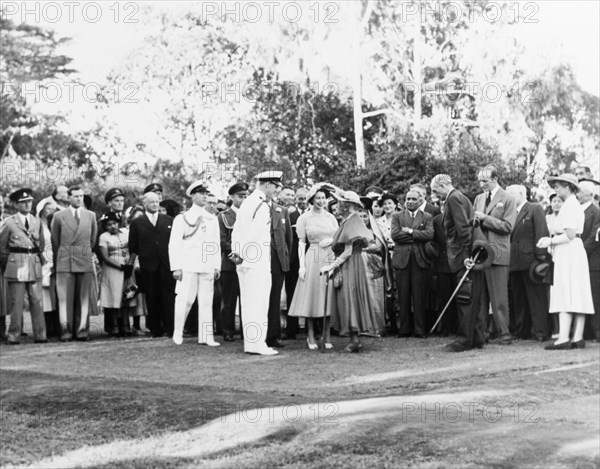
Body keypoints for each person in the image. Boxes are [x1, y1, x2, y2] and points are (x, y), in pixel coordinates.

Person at [537, 174, 595, 350]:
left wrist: (550, 241)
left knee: (565, 290)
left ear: (568, 188)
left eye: (559, 187)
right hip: (574, 251)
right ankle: (577, 337)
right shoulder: (574, 205)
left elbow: (569, 234)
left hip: (569, 251)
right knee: (577, 291)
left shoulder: (569, 206)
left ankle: (563, 338)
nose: (556, 190)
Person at [430, 174, 485, 352]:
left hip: (463, 256)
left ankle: (464, 340)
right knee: (470, 296)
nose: (434, 194)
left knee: (465, 297)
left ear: (444, 185)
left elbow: (464, 229)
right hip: (462, 255)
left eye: (435, 190)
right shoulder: (459, 198)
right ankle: (476, 337)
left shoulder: (454, 198)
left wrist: (468, 255)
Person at [230, 171, 283, 356]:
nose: (277, 190)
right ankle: (257, 344)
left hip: (244, 262)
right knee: (259, 304)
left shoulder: (247, 203)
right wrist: (243, 255)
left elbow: (236, 232)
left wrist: (237, 254)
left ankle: (251, 344)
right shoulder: (261, 205)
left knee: (249, 303)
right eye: (276, 186)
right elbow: (253, 234)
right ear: (267, 184)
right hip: (257, 261)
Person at [320, 189, 378, 352]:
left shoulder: (353, 221)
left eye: (339, 202)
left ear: (346, 205)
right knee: (348, 298)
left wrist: (330, 267)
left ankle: (355, 339)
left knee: (350, 298)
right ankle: (354, 338)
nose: (336, 205)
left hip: (351, 264)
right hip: (350, 264)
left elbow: (348, 251)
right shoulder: (349, 221)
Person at [170, 181, 221, 346]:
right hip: (188, 264)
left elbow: (215, 244)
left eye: (206, 193)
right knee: (185, 300)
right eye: (201, 193)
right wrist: (176, 267)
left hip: (206, 264)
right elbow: (174, 244)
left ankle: (206, 336)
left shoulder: (212, 218)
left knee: (206, 301)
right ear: (192, 195)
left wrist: (216, 265)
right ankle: (178, 333)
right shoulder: (182, 218)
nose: (204, 196)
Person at [288, 184, 339, 349]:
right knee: (312, 296)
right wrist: (301, 266)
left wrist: (332, 242)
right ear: (312, 199)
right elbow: (301, 243)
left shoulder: (331, 217)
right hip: (313, 256)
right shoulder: (304, 218)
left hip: (329, 256)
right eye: (318, 198)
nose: (321, 201)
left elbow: (338, 238)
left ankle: (326, 335)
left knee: (328, 295)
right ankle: (310, 336)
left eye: (323, 198)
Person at [473, 165, 517, 345]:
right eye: (480, 181)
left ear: (495, 179)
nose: (482, 184)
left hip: (498, 253)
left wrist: (485, 218)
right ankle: (482, 333)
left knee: (499, 297)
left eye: (485, 181)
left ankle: (504, 333)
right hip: (481, 252)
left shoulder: (508, 198)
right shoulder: (478, 198)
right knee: (481, 296)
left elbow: (507, 226)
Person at [0, 189, 48, 344]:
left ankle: (40, 335)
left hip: (33, 263)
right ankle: (14, 335)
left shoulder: (37, 221)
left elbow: (40, 244)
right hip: (16, 265)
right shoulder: (9, 223)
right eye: (23, 202)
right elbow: (2, 247)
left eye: (29, 201)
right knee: (16, 302)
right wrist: (8, 263)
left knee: (37, 301)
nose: (27, 204)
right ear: (16, 205)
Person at [51, 186, 97, 341]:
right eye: (76, 196)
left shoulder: (91, 216)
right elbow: (55, 241)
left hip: (84, 259)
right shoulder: (58, 216)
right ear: (69, 198)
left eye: (81, 196)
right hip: (65, 260)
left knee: (83, 298)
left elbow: (93, 240)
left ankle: (82, 330)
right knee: (65, 299)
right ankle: (66, 331)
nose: (79, 199)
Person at [506, 184, 550, 341]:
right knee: (518, 299)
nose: (507, 197)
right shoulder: (509, 213)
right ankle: (521, 331)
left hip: (531, 262)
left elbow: (541, 231)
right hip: (514, 263)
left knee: (536, 298)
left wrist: (540, 257)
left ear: (521, 193)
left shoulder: (534, 208)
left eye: (510, 194)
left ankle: (541, 331)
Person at [128, 191, 175, 338]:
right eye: (151, 202)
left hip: (166, 264)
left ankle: (171, 328)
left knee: (168, 296)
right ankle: (155, 328)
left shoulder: (168, 220)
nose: (155, 204)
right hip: (148, 265)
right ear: (145, 204)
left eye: (157, 201)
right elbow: (133, 246)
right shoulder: (137, 223)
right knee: (152, 296)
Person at [391, 190, 435, 338]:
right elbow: (395, 235)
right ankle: (403, 329)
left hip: (419, 260)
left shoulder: (427, 217)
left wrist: (410, 231)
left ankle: (419, 329)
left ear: (419, 201)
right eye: (408, 199)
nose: (410, 201)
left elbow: (430, 235)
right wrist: (417, 236)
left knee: (419, 296)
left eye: (413, 199)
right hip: (402, 260)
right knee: (402, 296)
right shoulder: (397, 216)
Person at [218, 182, 248, 341]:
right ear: (231, 197)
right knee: (229, 300)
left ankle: (246, 330)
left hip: (248, 263)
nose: (243, 199)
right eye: (240, 196)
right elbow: (222, 241)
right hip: (230, 263)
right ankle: (228, 330)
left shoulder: (251, 215)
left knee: (246, 299)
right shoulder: (223, 216)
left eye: (245, 196)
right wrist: (238, 250)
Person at [98, 212, 135, 337]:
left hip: (128, 267)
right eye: (109, 225)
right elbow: (104, 256)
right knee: (113, 296)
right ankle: (114, 327)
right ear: (105, 226)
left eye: (114, 223)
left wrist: (129, 265)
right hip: (112, 269)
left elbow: (133, 249)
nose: (112, 226)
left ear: (118, 223)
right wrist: (120, 267)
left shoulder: (126, 234)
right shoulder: (104, 237)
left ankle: (126, 326)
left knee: (126, 295)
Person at [266, 182, 293, 349]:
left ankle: (273, 335)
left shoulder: (281, 210)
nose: (275, 190)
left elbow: (288, 238)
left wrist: (285, 259)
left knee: (275, 299)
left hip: (277, 261)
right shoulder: (254, 208)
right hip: (260, 260)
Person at [282, 187, 309, 340]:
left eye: (305, 198)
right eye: (299, 198)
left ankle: (315, 328)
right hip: (294, 260)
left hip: (311, 257)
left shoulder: (315, 215)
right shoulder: (290, 214)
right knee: (292, 292)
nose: (302, 200)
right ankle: (291, 329)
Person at [358, 200, 388, 336]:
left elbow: (379, 246)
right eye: (360, 216)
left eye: (365, 216)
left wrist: (362, 249)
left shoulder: (374, 230)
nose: (363, 219)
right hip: (359, 265)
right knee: (361, 293)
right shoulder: (355, 230)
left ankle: (376, 327)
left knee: (374, 294)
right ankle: (362, 327)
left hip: (374, 265)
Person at [577, 180, 600, 341]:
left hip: (592, 261)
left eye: (581, 191)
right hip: (578, 261)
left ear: (590, 195)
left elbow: (594, 237)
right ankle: (584, 332)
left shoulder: (596, 211)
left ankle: (595, 331)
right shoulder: (576, 210)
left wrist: (578, 251)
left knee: (594, 296)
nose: (578, 194)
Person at [37, 197, 59, 338]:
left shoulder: (55, 223)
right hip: (43, 261)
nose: (50, 211)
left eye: (53, 208)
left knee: (56, 294)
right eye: (48, 208)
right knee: (44, 296)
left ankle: (56, 326)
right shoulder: (37, 224)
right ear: (42, 209)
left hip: (56, 261)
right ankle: (46, 326)